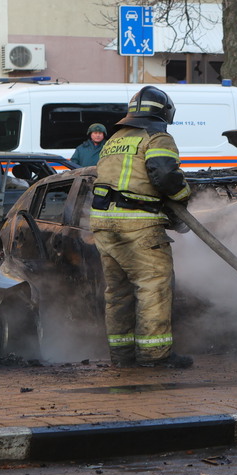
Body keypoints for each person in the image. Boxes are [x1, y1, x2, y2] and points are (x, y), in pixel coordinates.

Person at [90, 86, 194, 369]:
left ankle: (122, 357)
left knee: (118, 293)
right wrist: (184, 197)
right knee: (153, 288)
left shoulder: (113, 140)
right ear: (164, 113)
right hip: (139, 225)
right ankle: (155, 356)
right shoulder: (157, 137)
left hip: (103, 224)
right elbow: (165, 176)